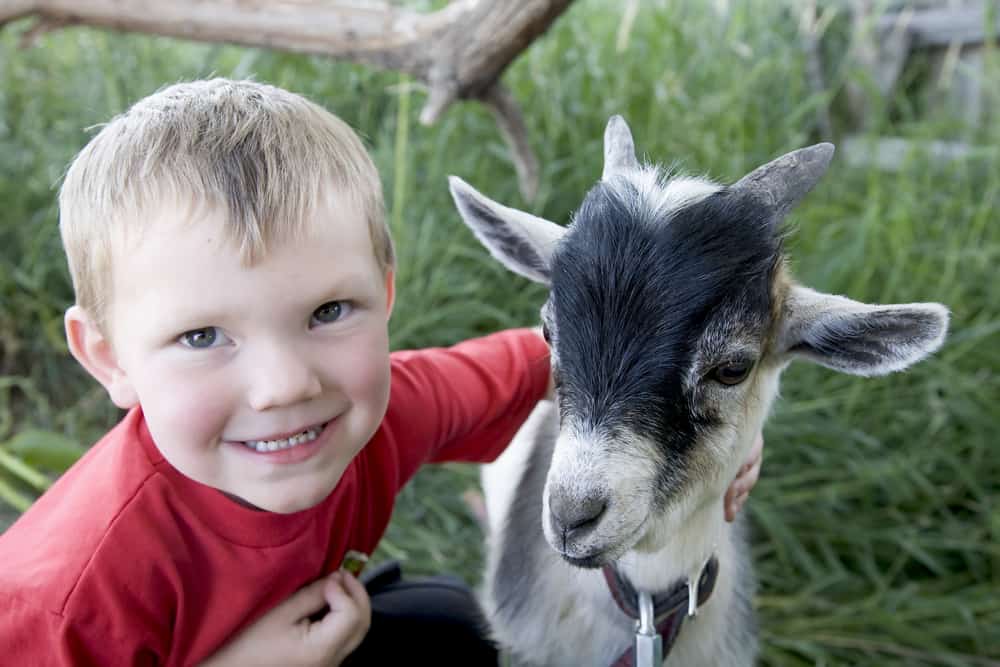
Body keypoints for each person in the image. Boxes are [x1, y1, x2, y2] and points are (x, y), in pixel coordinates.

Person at [0, 78, 762, 666]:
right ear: (107, 356)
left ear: (385, 293)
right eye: (202, 336)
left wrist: (716, 404)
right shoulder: (63, 601)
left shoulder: (382, 412)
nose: (287, 386)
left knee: (451, 627)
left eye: (328, 311)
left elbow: (559, 358)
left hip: (314, 619)